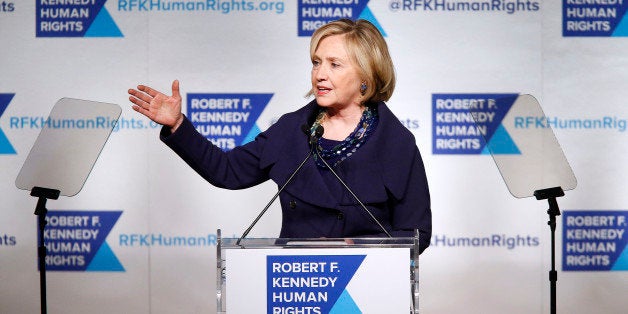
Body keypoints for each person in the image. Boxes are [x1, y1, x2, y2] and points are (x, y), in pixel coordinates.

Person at [128, 19, 432, 253]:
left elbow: (417, 233)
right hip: (295, 285)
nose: (319, 74)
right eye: (316, 62)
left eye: (334, 64)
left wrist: (356, 250)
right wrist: (178, 124)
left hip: (368, 289)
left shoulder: (397, 143)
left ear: (366, 76)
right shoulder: (292, 130)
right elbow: (227, 171)